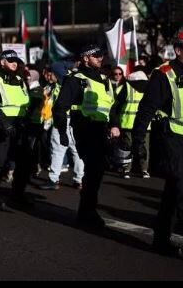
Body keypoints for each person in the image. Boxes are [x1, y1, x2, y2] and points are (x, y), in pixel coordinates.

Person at [132, 31, 183, 263]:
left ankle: (161, 240)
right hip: (172, 140)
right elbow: (146, 109)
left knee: (173, 195)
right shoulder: (164, 74)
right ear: (178, 51)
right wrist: (137, 141)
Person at [53, 44, 117, 229]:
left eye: (101, 56)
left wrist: (114, 125)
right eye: (96, 56)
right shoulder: (76, 79)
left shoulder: (105, 79)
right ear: (86, 58)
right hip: (85, 128)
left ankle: (86, 211)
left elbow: (111, 105)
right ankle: (88, 213)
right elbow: (60, 108)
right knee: (93, 170)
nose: (100, 58)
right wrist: (63, 132)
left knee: (96, 172)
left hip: (101, 129)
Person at [0, 50, 32, 211]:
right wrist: (5, 124)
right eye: (11, 60)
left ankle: (18, 195)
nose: (15, 63)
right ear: (2, 62)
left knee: (24, 163)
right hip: (0, 126)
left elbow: (25, 103)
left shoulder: (20, 80)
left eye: (16, 61)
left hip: (19, 126)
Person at [39, 63, 85, 190]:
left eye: (50, 73)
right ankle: (79, 180)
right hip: (76, 120)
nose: (49, 76)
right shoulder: (74, 82)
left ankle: (53, 179)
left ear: (56, 73)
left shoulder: (61, 85)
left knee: (58, 151)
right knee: (76, 151)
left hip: (62, 120)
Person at [110, 68, 150, 179]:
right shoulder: (127, 87)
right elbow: (117, 106)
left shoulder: (148, 87)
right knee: (128, 146)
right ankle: (126, 168)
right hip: (129, 123)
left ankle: (144, 169)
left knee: (143, 147)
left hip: (143, 124)